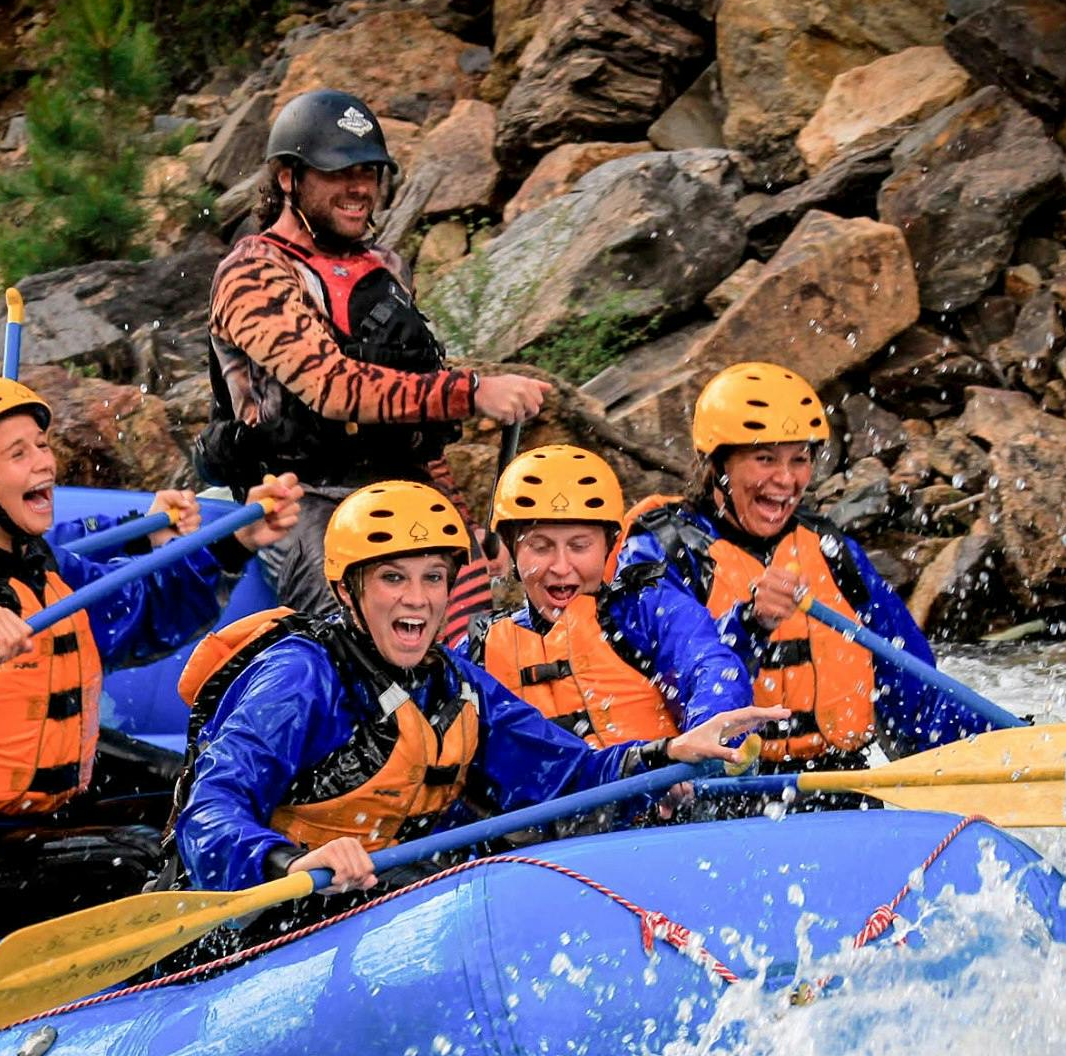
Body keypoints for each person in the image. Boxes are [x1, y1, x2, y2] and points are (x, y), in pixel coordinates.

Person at [0, 376, 303, 966]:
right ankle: (214, 964)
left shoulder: (47, 570)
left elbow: (142, 610)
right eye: (17, 454)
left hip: (40, 818)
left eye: (41, 445)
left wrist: (235, 545)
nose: (44, 463)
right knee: (144, 862)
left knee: (203, 791)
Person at [169, 480, 776, 896]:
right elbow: (212, 808)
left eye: (433, 577)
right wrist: (286, 864)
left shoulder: (456, 686)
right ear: (347, 591)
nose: (416, 598)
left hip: (376, 908)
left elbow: (566, 778)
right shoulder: (300, 677)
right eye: (392, 578)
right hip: (263, 920)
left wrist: (667, 755)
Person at [196, 86, 552, 617]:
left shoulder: (386, 267)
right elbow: (331, 386)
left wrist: (464, 520)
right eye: (339, 173)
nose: (359, 187)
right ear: (289, 178)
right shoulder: (253, 271)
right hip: (303, 499)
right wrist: (473, 392)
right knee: (365, 643)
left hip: (406, 485)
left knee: (478, 644)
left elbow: (415, 414)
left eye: (368, 172)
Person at [616, 362, 989, 773]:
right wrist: (750, 624)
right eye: (764, 458)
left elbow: (914, 687)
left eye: (800, 459)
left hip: (836, 781)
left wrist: (996, 747)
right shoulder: (659, 551)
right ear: (718, 466)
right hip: (718, 789)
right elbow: (678, 672)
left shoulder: (829, 549)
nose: (786, 479)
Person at [464, 445, 750, 745]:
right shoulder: (479, 649)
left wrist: (710, 728)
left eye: (579, 546)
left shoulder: (644, 610)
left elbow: (709, 664)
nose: (561, 567)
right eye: (541, 546)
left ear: (609, 547)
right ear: (512, 549)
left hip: (663, 787)